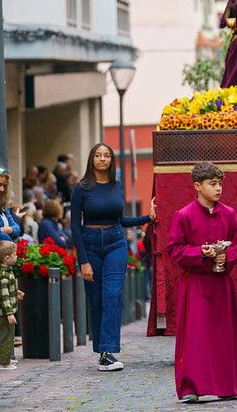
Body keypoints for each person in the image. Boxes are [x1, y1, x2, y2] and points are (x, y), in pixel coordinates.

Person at [71, 143, 156, 371]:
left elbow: (121, 220)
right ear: (92, 159)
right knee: (96, 298)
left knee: (113, 294)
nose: (102, 159)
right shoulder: (81, 188)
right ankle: (101, 350)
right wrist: (83, 261)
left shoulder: (117, 186)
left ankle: (108, 351)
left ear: (111, 160)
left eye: (106, 155)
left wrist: (147, 218)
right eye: (98, 155)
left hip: (115, 242)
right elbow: (75, 227)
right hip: (90, 243)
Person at [167, 162, 237, 403]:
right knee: (196, 337)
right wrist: (200, 253)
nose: (218, 188)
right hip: (197, 284)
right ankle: (191, 387)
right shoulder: (183, 215)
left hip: (221, 284)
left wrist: (226, 256)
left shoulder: (229, 214)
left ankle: (226, 385)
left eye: (220, 183)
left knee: (224, 336)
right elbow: (174, 249)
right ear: (197, 186)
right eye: (212, 184)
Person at [0, 240, 24, 370]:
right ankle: (3, 362)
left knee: (8, 335)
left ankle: (5, 358)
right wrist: (9, 314)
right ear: (7, 258)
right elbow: (4, 297)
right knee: (5, 336)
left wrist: (16, 292)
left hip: (5, 312)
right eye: (15, 254)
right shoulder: (3, 276)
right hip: (4, 313)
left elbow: (6, 290)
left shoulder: (4, 272)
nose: (17, 256)